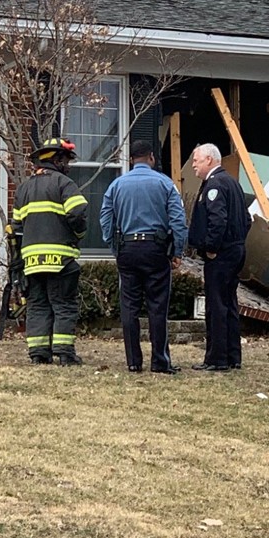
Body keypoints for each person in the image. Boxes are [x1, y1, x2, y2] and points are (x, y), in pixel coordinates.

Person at [99, 140, 189, 375]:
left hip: (127, 249)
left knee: (129, 306)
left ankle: (133, 361)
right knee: (157, 306)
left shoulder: (116, 185)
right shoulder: (165, 184)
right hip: (156, 249)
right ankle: (159, 361)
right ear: (151, 157)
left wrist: (114, 246)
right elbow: (178, 221)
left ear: (130, 160)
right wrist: (177, 251)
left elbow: (105, 219)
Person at [11, 137, 89, 366]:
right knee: (63, 304)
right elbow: (78, 214)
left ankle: (38, 353)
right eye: (66, 160)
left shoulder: (23, 189)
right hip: (61, 260)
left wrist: (18, 262)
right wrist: (78, 236)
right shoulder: (64, 184)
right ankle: (65, 353)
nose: (68, 166)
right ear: (56, 159)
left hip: (32, 262)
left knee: (37, 304)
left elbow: (16, 229)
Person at [187, 143, 250, 372]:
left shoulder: (214, 185)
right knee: (230, 303)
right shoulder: (232, 183)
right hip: (236, 250)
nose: (193, 165)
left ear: (210, 160)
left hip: (221, 255)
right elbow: (247, 219)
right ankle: (233, 356)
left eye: (197, 160)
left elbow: (218, 220)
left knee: (216, 306)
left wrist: (211, 247)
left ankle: (217, 358)